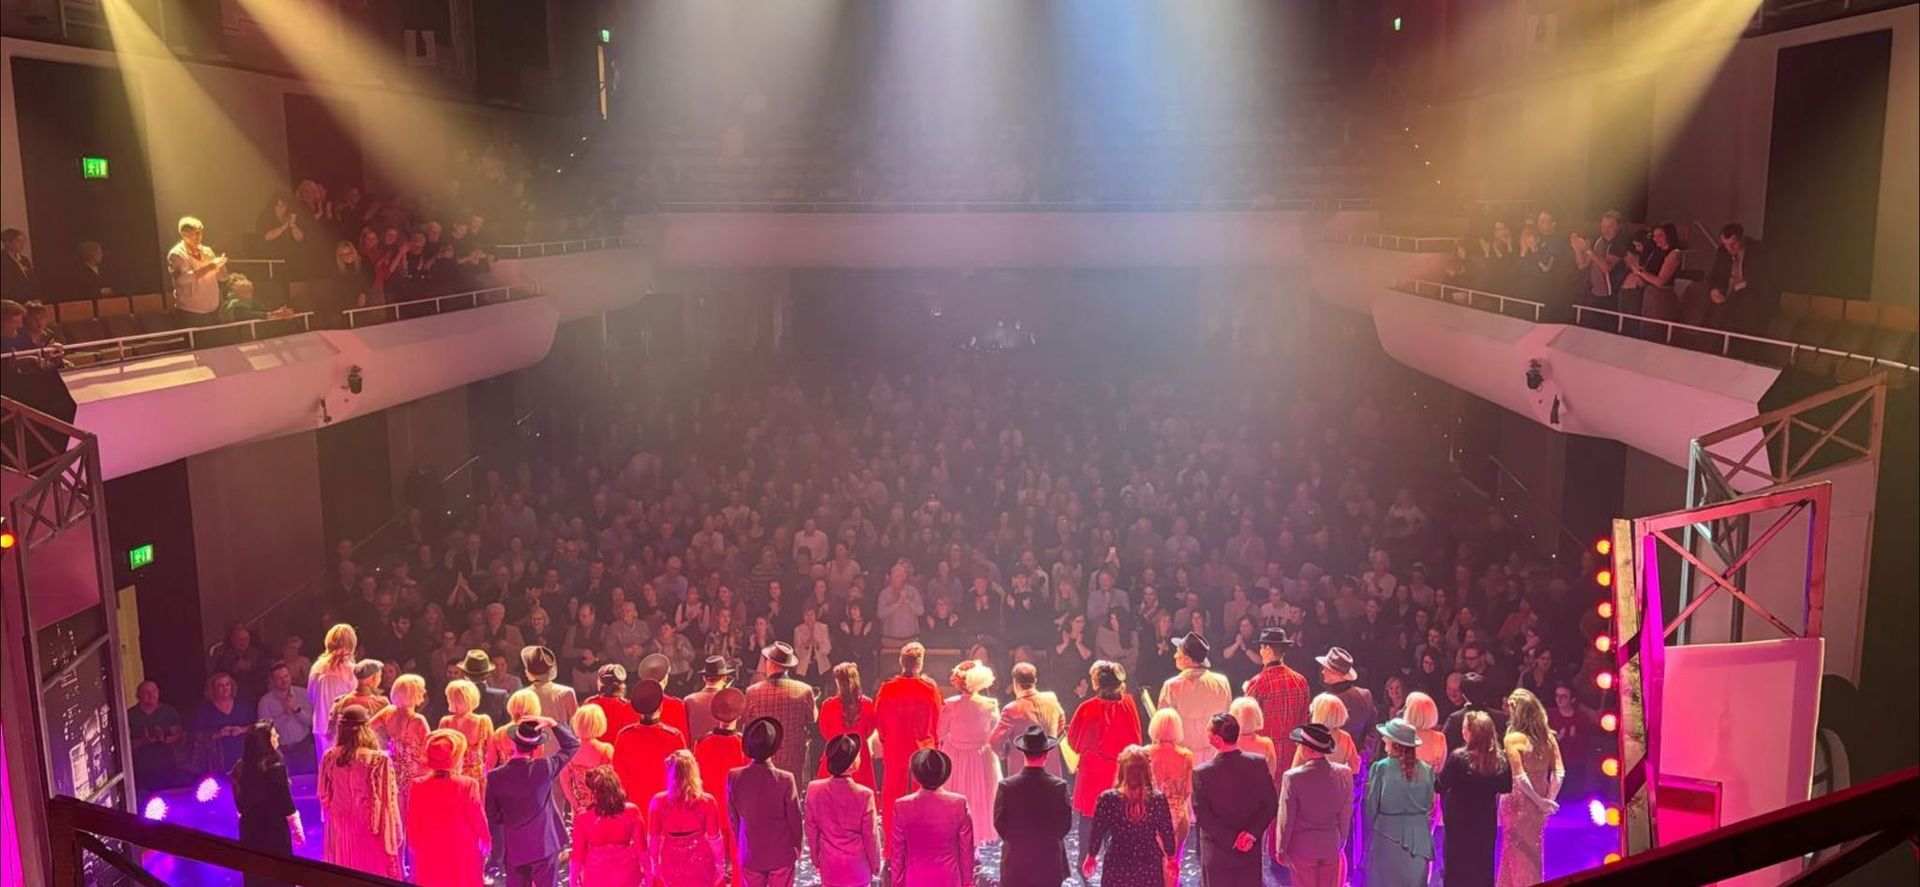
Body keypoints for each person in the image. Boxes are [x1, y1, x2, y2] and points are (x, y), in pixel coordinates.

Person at [485, 716, 581, 887]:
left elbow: (492, 815)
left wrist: (512, 820)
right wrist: (552, 723)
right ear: (536, 747)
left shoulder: (495, 777)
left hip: (515, 848)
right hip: (545, 844)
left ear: (514, 743)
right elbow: (572, 745)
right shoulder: (544, 768)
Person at [1191, 712, 1278, 887]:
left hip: (1217, 856)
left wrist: (1232, 840)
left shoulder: (1202, 773)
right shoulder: (1258, 763)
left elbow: (1203, 817)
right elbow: (1270, 805)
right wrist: (1250, 835)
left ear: (1216, 739)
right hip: (1249, 852)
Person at [316, 705, 403, 878]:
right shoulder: (379, 760)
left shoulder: (329, 757)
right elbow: (388, 801)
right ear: (366, 729)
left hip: (341, 828)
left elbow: (324, 795)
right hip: (370, 828)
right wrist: (395, 833)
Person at [1066, 660, 1143, 850]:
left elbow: (1073, 742)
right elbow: (1136, 740)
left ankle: (1085, 861)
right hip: (1118, 773)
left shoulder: (1086, 708)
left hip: (1091, 774)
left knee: (1087, 820)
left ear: (1097, 682)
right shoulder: (1129, 703)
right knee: (1117, 821)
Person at [1435, 711, 1512, 887]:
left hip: (1459, 821)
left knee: (1457, 866)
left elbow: (1440, 785)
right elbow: (1506, 786)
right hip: (1485, 820)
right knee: (1482, 865)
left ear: (1471, 732)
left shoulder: (1459, 758)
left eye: (1464, 727)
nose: (1462, 731)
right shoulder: (1499, 760)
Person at [1083, 745, 1178, 887]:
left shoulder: (1108, 799)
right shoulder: (1157, 799)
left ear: (1122, 770)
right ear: (1147, 770)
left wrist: (1091, 856)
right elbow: (1167, 831)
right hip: (1149, 863)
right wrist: (1171, 858)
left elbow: (1097, 831)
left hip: (1118, 862)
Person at [874, 642, 942, 837]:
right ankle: (920, 841)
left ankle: (890, 849)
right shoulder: (929, 689)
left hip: (895, 749)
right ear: (919, 664)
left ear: (901, 662)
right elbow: (938, 721)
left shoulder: (887, 688)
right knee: (921, 799)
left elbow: (879, 720)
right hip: (921, 752)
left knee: (892, 799)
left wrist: (885, 738)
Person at [1496, 689, 1563, 887]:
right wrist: (1548, 800)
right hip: (1539, 802)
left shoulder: (1513, 738)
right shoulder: (1549, 738)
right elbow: (1559, 773)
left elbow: (1520, 777)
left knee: (1517, 850)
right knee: (1531, 851)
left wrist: (1541, 801)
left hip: (1518, 802)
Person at [727, 716, 804, 887]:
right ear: (774, 748)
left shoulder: (734, 776)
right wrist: (798, 846)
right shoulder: (785, 779)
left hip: (750, 854)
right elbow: (795, 820)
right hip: (781, 855)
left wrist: (743, 845)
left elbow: (734, 818)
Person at [408, 729, 491, 887]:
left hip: (430, 847)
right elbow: (477, 816)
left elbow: (413, 820)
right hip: (462, 848)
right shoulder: (468, 784)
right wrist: (486, 839)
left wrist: (414, 846)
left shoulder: (418, 785)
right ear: (456, 758)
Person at [1277, 723, 1354, 887]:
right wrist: (1341, 840)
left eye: (1299, 745)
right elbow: (1346, 812)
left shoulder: (1292, 777)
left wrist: (1281, 848)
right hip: (1330, 845)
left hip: (1302, 848)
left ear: (1307, 749)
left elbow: (1286, 819)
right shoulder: (1344, 773)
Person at [994, 726, 1073, 887]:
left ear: (1023, 752)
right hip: (1048, 862)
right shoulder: (1059, 786)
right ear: (1046, 754)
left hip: (1016, 862)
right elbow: (1064, 826)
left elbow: (1000, 825)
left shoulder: (1006, 786)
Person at [230, 721, 303, 887]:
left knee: (255, 873)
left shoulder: (239, 768)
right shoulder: (275, 767)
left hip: (249, 828)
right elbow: (285, 801)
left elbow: (239, 805)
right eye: (274, 735)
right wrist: (296, 827)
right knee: (278, 873)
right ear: (265, 740)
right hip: (273, 829)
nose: (277, 737)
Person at [888, 748, 974, 887]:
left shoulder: (902, 806)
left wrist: (897, 883)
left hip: (915, 878)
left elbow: (898, 853)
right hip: (949, 878)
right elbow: (967, 851)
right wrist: (967, 883)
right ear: (944, 774)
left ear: (916, 776)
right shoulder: (959, 804)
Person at [1365, 718, 1436, 887]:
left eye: (1386, 737)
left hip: (1387, 834)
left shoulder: (1380, 767)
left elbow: (1371, 806)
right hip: (1419, 838)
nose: (1383, 739)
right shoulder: (1427, 770)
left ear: (1395, 743)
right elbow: (1428, 804)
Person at [806, 734, 883, 887]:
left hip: (830, 867)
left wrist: (815, 859)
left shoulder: (814, 789)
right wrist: (875, 866)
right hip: (857, 868)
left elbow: (811, 830)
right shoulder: (864, 795)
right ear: (852, 764)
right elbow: (871, 836)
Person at [939, 661, 1003, 843]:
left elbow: (941, 732)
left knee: (957, 797)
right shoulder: (990, 705)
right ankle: (975, 842)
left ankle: (958, 838)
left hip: (956, 757)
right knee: (980, 799)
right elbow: (996, 732)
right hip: (980, 757)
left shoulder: (950, 705)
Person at [649, 749, 730, 886]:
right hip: (700, 862)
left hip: (671, 862)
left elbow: (653, 840)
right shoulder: (707, 801)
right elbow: (715, 840)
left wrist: (655, 866)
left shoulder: (658, 801)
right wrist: (720, 867)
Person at [740, 642, 817, 781]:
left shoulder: (753, 692)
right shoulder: (804, 690)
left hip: (762, 760)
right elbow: (812, 718)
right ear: (787, 667)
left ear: (770, 663)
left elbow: (745, 722)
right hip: (793, 759)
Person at [613, 680, 687, 815]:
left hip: (634, 806)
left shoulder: (624, 735)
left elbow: (619, 776)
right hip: (666, 807)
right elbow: (682, 777)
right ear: (660, 707)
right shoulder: (674, 736)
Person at [1159, 632, 1233, 765]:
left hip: (1183, 758)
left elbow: (1163, 728)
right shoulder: (1222, 682)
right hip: (1215, 757)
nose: (1175, 656)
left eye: (1178, 652)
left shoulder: (1172, 686)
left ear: (1187, 659)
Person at [570, 764, 647, 887]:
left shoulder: (583, 818)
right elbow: (642, 849)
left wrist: (573, 881)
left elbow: (577, 856)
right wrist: (649, 874)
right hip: (627, 876)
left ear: (594, 792)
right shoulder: (631, 811)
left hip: (596, 878)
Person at [988, 661, 1067, 778]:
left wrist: (1005, 752)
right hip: (1051, 770)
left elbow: (995, 741)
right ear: (1035, 681)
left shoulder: (1011, 709)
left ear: (1015, 682)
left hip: (1022, 772)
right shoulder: (1051, 698)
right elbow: (1061, 724)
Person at [370, 674, 430, 822]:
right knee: (415, 817)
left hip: (394, 770)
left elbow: (366, 728)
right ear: (414, 693)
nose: (424, 692)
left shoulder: (389, 711)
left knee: (397, 816)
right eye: (421, 690)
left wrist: (380, 748)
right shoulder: (417, 719)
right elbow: (429, 748)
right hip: (415, 773)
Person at [816, 662, 877, 789]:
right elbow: (870, 730)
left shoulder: (828, 705)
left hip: (834, 755)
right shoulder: (868, 705)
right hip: (859, 757)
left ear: (838, 682)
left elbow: (824, 731)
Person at [1315, 646, 1377, 756]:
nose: (1323, 671)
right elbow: (1372, 731)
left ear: (1335, 673)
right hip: (1357, 761)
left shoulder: (1323, 701)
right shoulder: (1364, 695)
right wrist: (1365, 755)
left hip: (1330, 763)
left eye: (1326, 668)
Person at [307, 624, 359, 754]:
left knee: (324, 766)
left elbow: (310, 695)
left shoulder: (317, 667)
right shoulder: (351, 669)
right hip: (343, 727)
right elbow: (356, 700)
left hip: (320, 724)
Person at [167, 216, 228, 327]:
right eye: (194, 234)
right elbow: (183, 279)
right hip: (191, 312)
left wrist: (221, 267)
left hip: (214, 310)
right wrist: (209, 267)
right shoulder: (176, 254)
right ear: (183, 235)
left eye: (200, 233)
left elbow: (222, 278)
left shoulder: (207, 251)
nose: (199, 237)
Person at [129, 680, 186, 796]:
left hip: (167, 768)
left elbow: (180, 737)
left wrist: (165, 739)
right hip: (141, 771)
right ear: (138, 696)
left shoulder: (169, 712)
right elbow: (124, 745)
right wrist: (143, 741)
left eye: (154, 691)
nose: (152, 695)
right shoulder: (129, 715)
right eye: (147, 692)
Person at [194, 672, 256, 776]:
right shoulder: (205, 709)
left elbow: (256, 726)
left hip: (243, 757)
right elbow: (197, 736)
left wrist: (241, 729)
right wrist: (218, 734)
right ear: (213, 689)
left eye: (227, 684)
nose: (225, 688)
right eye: (220, 686)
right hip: (216, 761)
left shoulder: (243, 705)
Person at [438, 679, 495, 787]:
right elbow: (492, 754)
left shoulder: (483, 721)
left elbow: (492, 753)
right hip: (461, 779)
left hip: (470, 779)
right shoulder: (445, 721)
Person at [256, 663, 313, 771]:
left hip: (304, 747)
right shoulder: (265, 701)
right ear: (273, 681)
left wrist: (297, 710)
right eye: (279, 678)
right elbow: (265, 730)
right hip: (280, 751)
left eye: (286, 676)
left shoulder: (303, 694)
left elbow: (310, 722)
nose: (284, 680)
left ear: (290, 676)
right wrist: (285, 714)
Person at [1442, 673, 1509, 755]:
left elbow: (1443, 746)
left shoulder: (1455, 719)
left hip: (1462, 765)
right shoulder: (1500, 717)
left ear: (1464, 694)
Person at [521, 645, 579, 736]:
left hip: (533, 747)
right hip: (562, 748)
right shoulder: (567, 693)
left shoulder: (522, 695)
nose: (525, 671)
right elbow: (576, 728)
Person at [684, 655, 739, 742]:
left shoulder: (688, 700)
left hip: (695, 753)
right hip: (721, 751)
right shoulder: (729, 702)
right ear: (724, 678)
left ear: (704, 678)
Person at [582, 663, 639, 740]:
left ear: (601, 682)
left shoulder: (590, 703)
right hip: (618, 750)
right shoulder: (628, 707)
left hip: (595, 750)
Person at [1230, 696, 1279, 778]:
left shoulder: (1227, 744)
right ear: (1257, 716)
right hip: (1260, 789)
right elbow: (1271, 775)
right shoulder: (1266, 744)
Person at [1404, 691, 1448, 775]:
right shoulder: (1440, 738)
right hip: (1428, 786)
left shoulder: (1401, 735)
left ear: (1410, 711)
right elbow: (1439, 769)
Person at [0, 228, 34, 300]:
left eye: (22, 242)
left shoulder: (24, 260)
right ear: (8, 242)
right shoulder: (2, 261)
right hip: (12, 301)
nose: (22, 245)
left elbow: (31, 280)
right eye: (18, 241)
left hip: (28, 300)